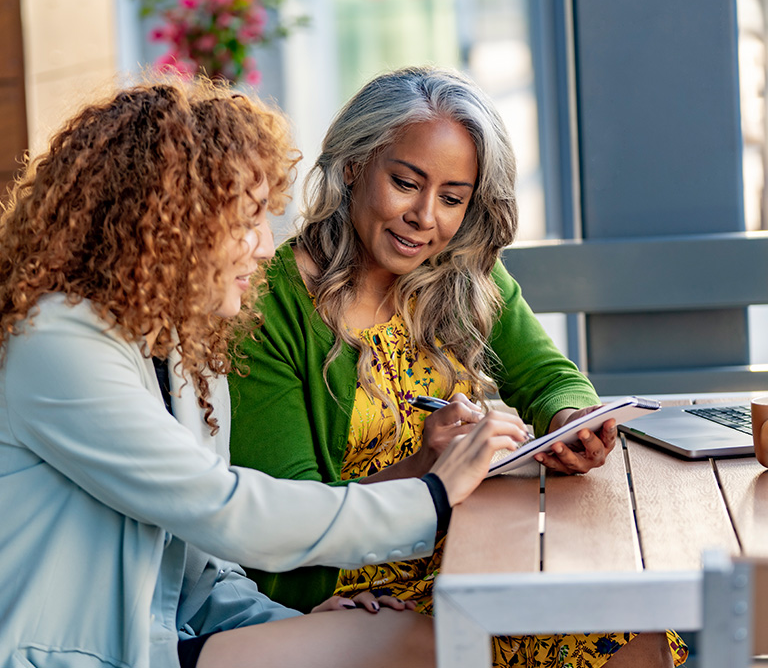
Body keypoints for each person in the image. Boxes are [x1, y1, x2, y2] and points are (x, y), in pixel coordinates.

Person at [0, 77, 522, 668]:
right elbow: (224, 510)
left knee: (413, 641)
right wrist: (433, 495)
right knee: (416, 647)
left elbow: (197, 564)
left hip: (159, 649)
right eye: (245, 222)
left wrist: (284, 625)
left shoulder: (178, 349)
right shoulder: (57, 343)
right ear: (168, 223)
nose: (266, 248)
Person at [229, 66, 688, 667]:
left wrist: (570, 417)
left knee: (640, 627)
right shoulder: (271, 305)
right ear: (352, 167)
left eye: (452, 198)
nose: (425, 217)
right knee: (621, 637)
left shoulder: (461, 271)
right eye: (405, 183)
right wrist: (427, 469)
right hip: (352, 590)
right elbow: (287, 516)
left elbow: (550, 377)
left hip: (473, 551)